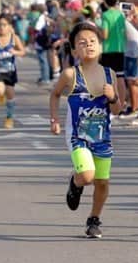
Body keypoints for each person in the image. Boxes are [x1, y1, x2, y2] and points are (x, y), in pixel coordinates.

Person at [49, 22, 122, 238]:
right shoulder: (70, 75)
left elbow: (117, 109)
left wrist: (113, 97)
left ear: (100, 46)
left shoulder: (110, 75)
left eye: (92, 41)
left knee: (102, 181)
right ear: (74, 50)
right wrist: (54, 118)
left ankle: (94, 219)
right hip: (78, 136)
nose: (88, 45)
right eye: (82, 42)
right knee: (88, 175)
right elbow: (54, 94)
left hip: (102, 136)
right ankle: (76, 181)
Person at [0, 14, 26, 129]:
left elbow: (22, 51)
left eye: (4, 25)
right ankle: (1, 95)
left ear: (10, 26)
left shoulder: (14, 38)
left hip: (10, 71)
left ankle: (9, 118)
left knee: (10, 95)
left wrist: (15, 52)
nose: (1, 27)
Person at [100, 0, 128, 112]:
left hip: (108, 50)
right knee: (120, 77)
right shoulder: (120, 14)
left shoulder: (105, 15)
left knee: (108, 79)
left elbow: (105, 35)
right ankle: (121, 104)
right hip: (120, 49)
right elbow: (124, 32)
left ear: (105, 1)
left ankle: (111, 104)